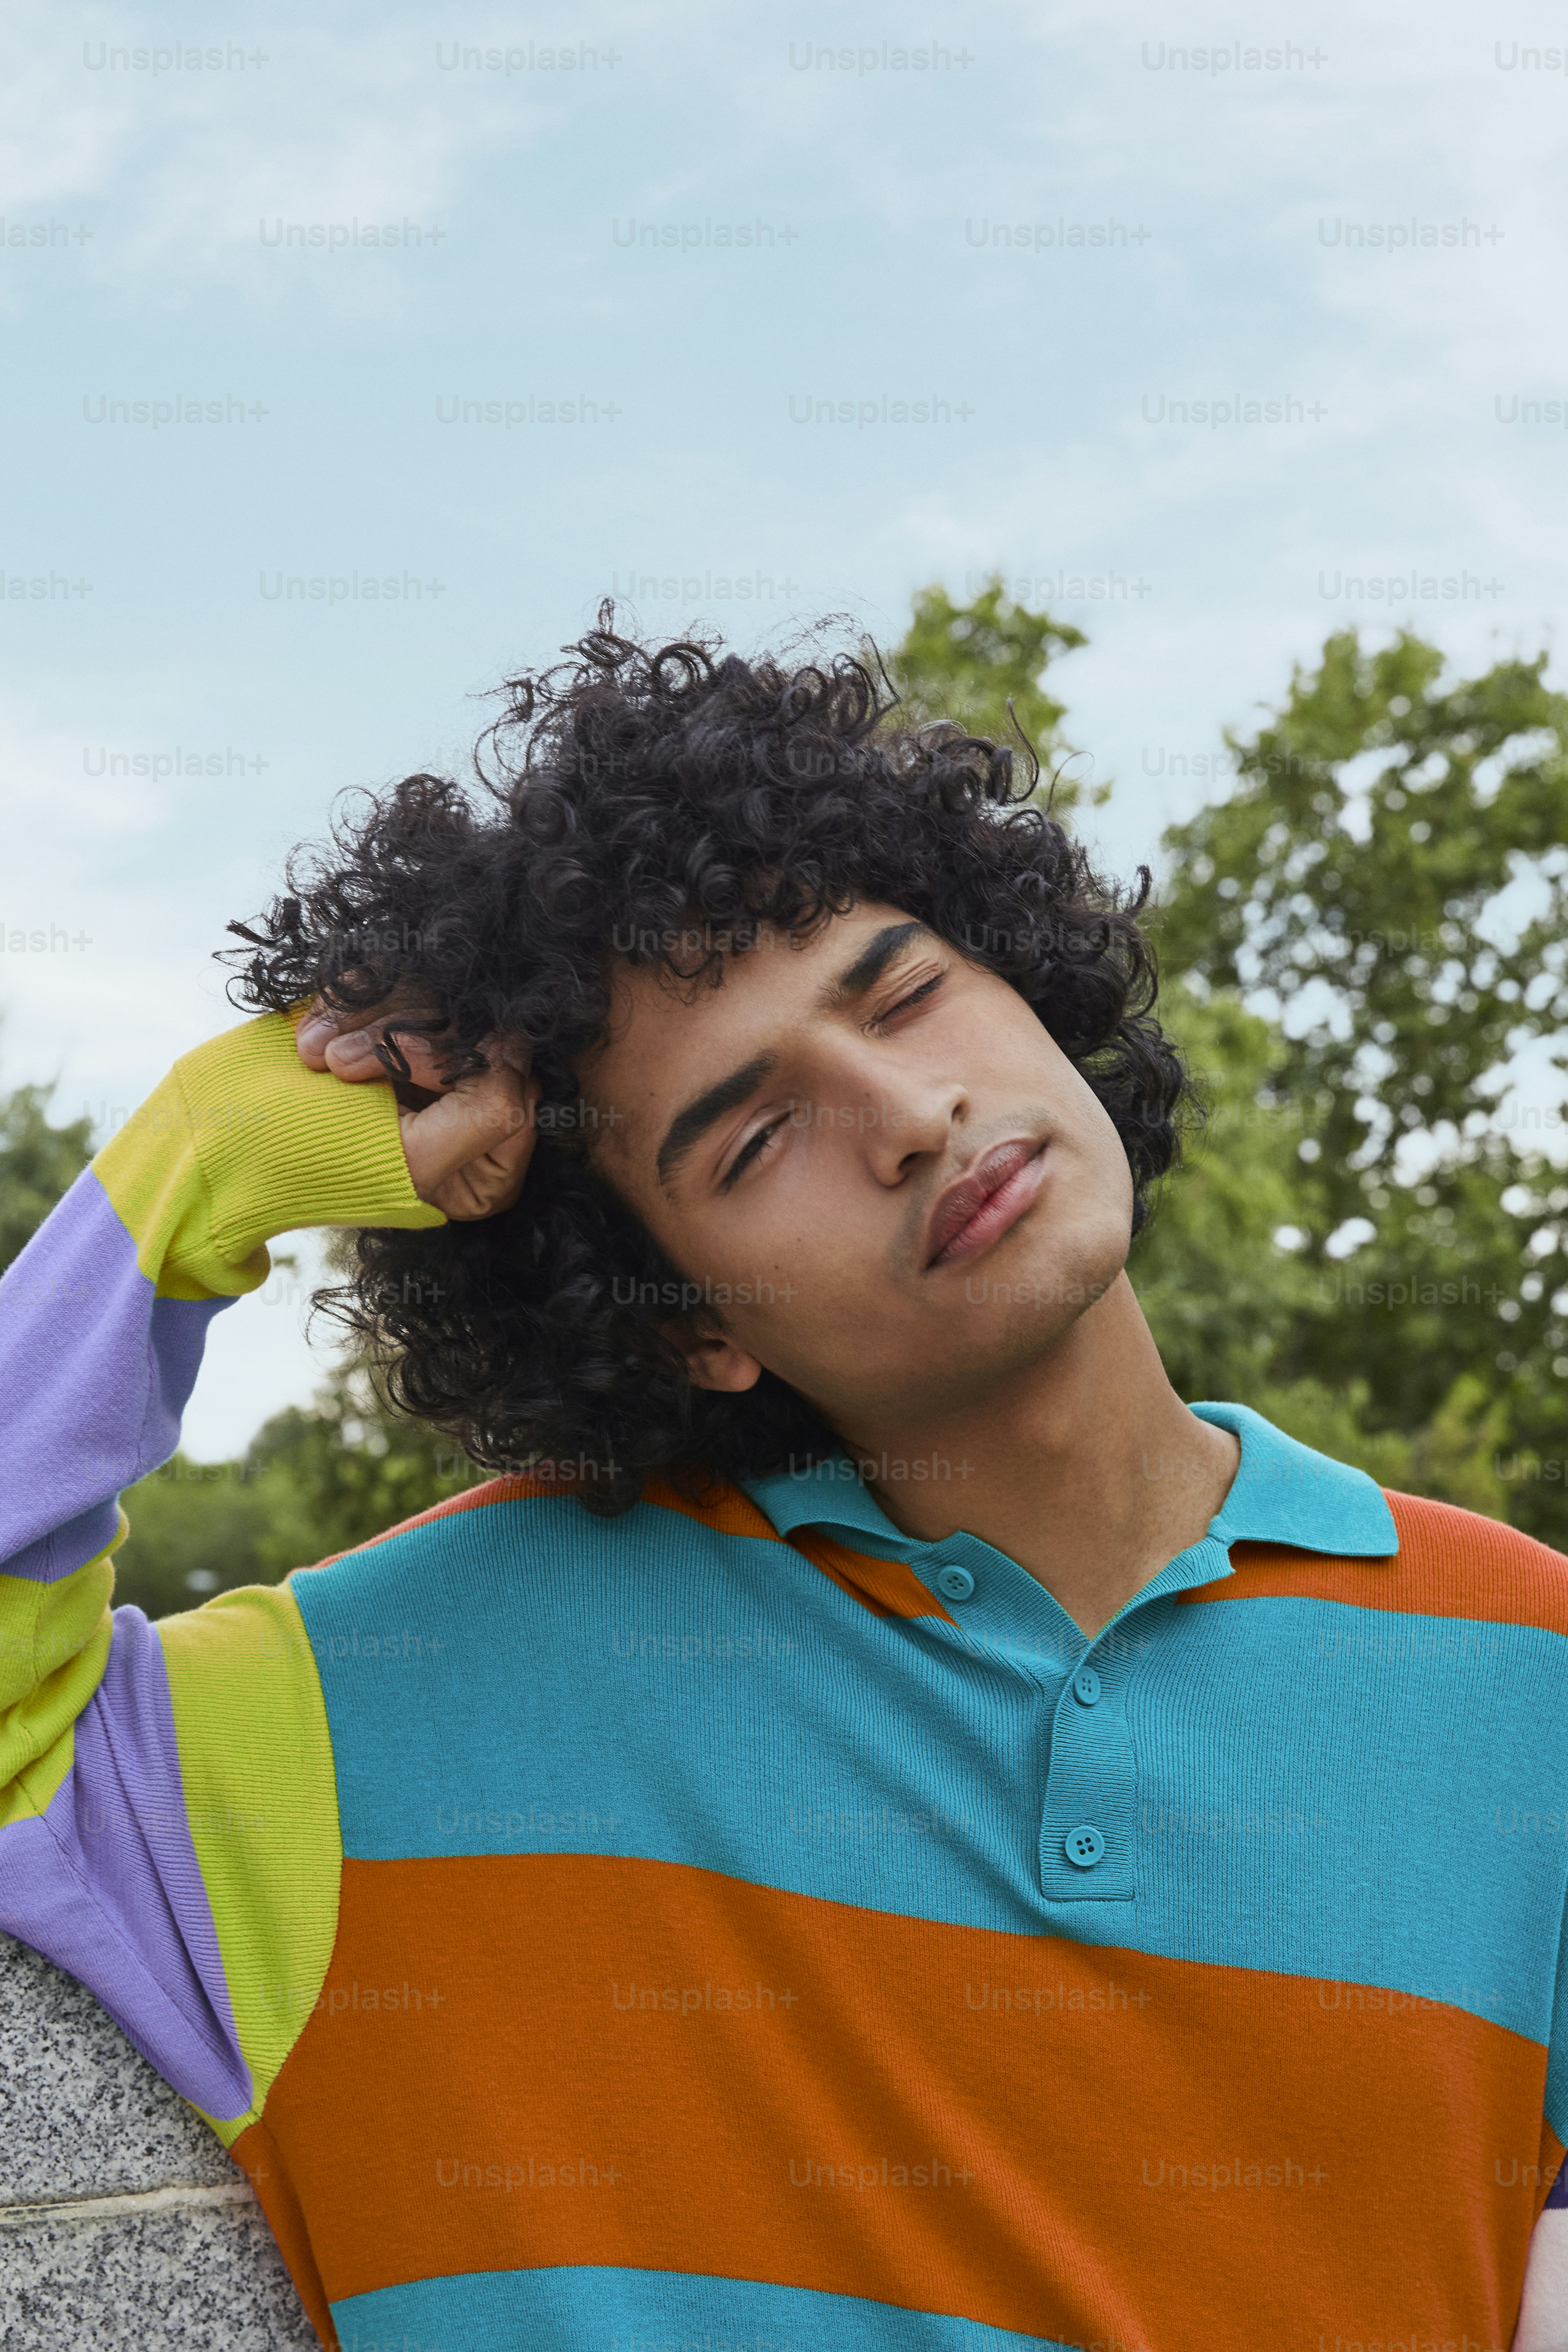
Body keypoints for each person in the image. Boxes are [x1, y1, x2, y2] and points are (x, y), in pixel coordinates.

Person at [2, 616, 1566, 2351]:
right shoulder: (382, 1699)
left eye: (905, 993)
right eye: (755, 1138)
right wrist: (207, 1151)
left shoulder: (1539, 1669)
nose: (908, 1112)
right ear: (689, 1325)